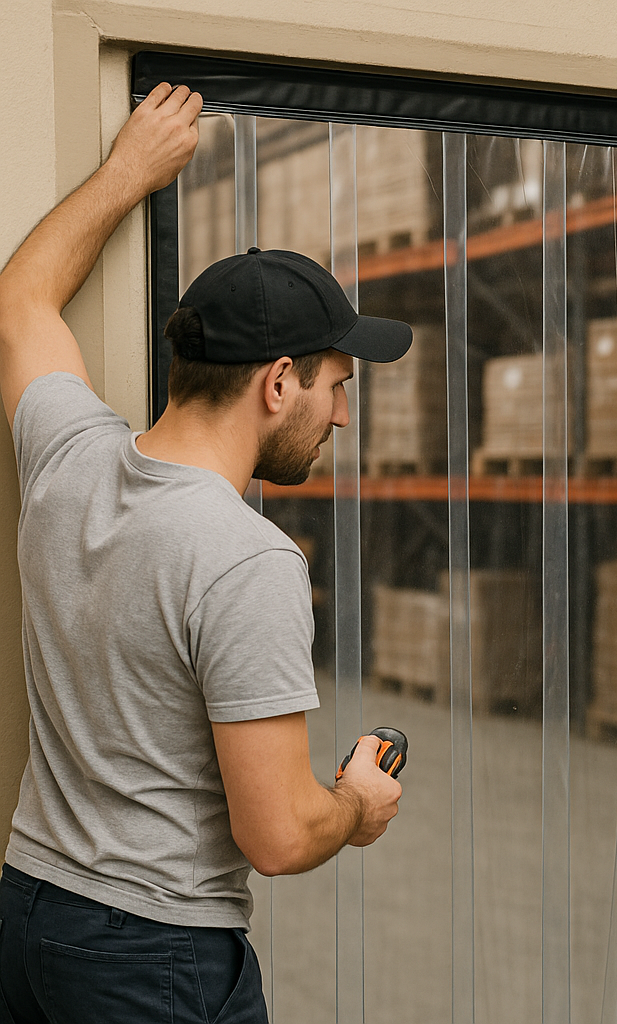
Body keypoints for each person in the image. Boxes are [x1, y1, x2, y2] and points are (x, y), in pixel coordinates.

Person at [0, 83, 410, 1024]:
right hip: (150, 958)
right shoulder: (247, 559)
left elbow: (21, 300)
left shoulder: (67, 459)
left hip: (29, 918)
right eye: (337, 386)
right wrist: (355, 806)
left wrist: (125, 174)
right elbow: (274, 835)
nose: (345, 414)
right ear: (277, 383)